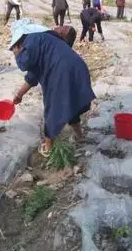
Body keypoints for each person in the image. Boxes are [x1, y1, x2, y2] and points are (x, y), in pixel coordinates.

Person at [10, 21, 96, 157]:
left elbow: (24, 64)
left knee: (53, 108)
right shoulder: (47, 41)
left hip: (61, 72)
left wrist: (16, 53)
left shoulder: (32, 38)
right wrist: (20, 94)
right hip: (78, 68)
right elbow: (33, 75)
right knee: (71, 102)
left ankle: (48, 147)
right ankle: (80, 137)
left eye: (15, 45)